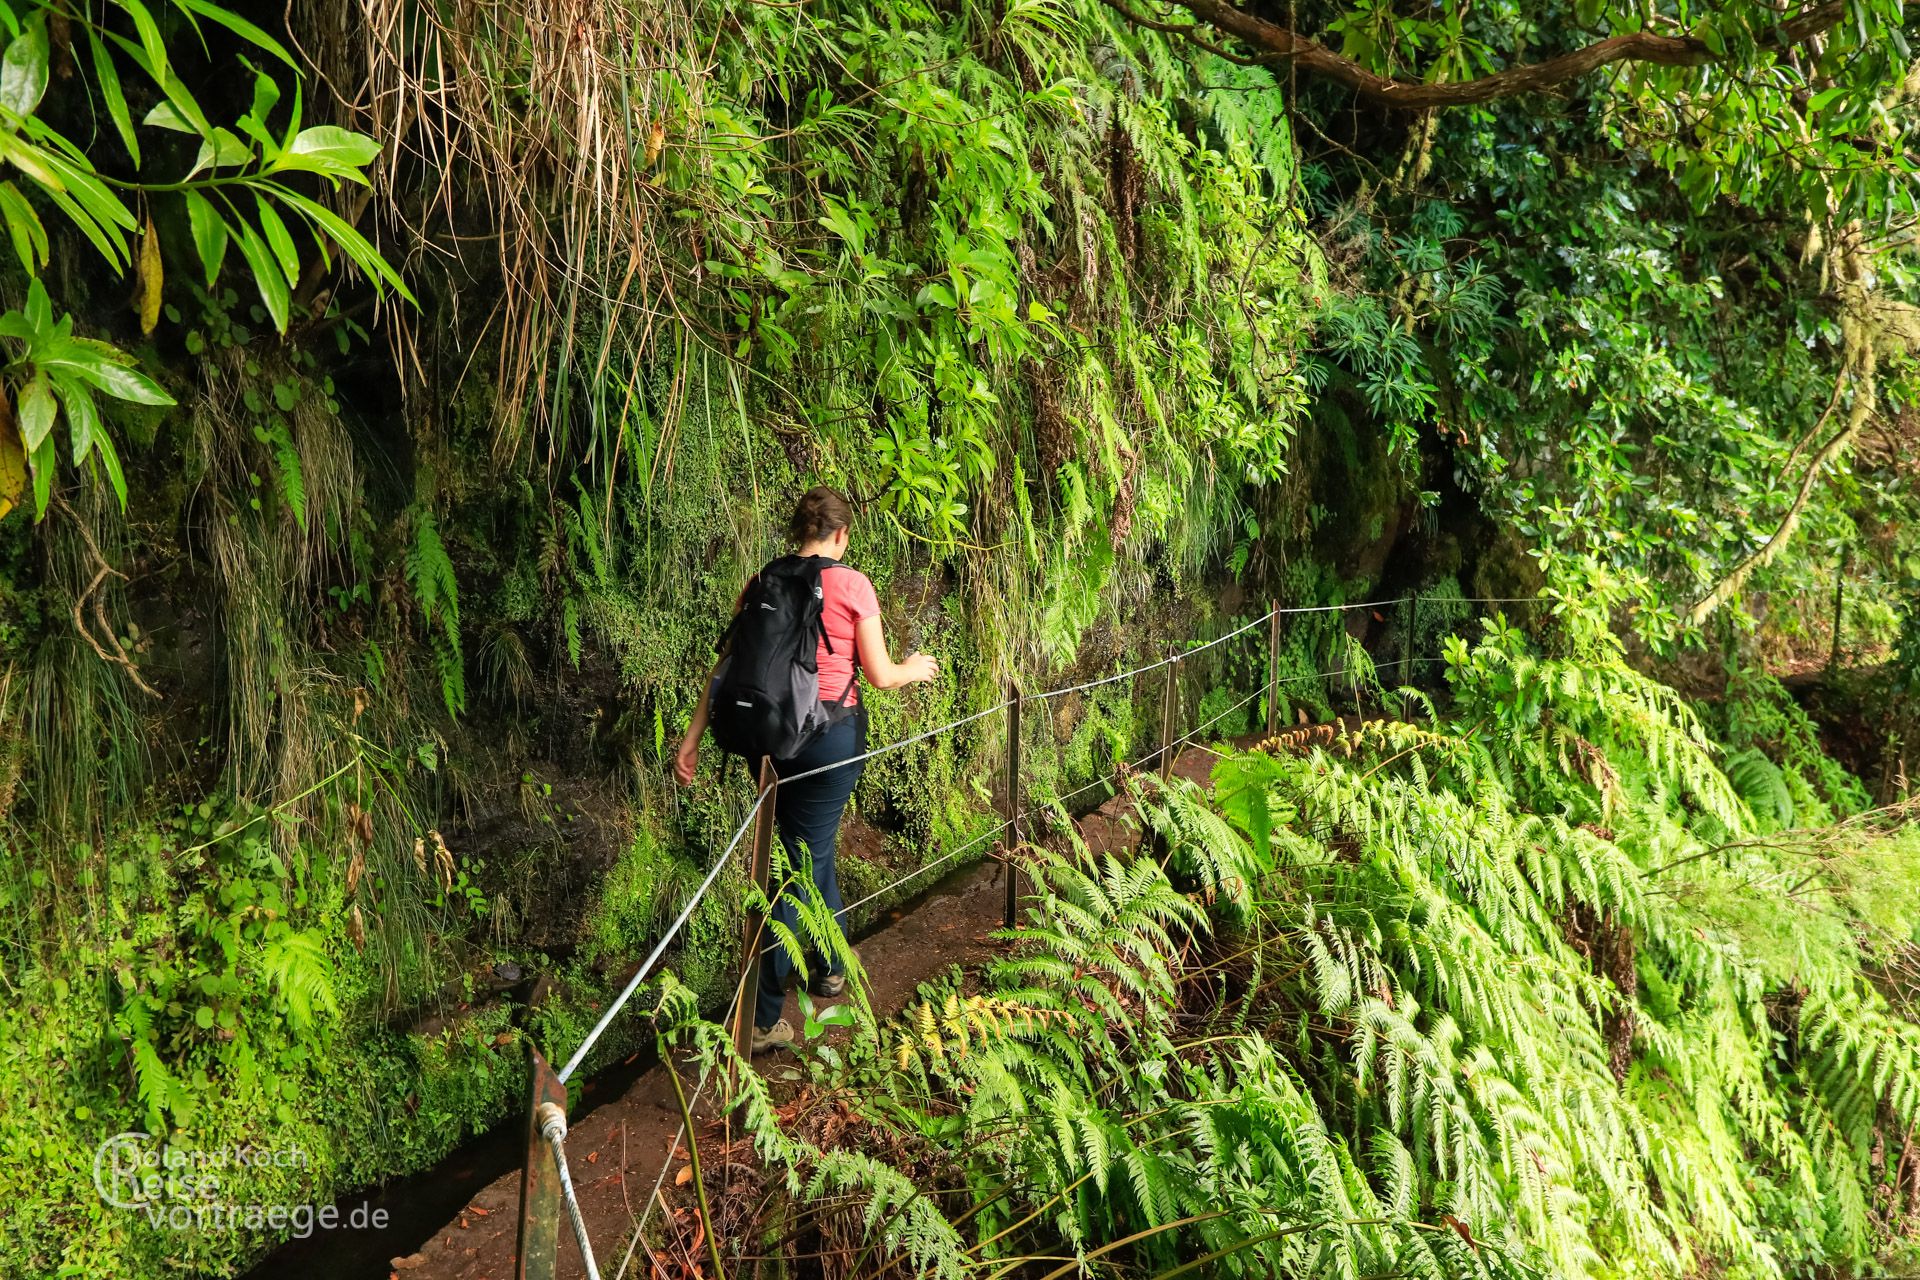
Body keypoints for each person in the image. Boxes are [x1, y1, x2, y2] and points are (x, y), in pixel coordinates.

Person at [673, 486, 938, 1053]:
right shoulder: (853, 585)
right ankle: (761, 1018)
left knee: (807, 852)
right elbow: (882, 675)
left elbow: (725, 667)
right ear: (841, 536)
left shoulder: (764, 579)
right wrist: (915, 667)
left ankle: (830, 966)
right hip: (827, 743)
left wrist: (692, 739)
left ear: (799, 532)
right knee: (796, 874)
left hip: (766, 744)